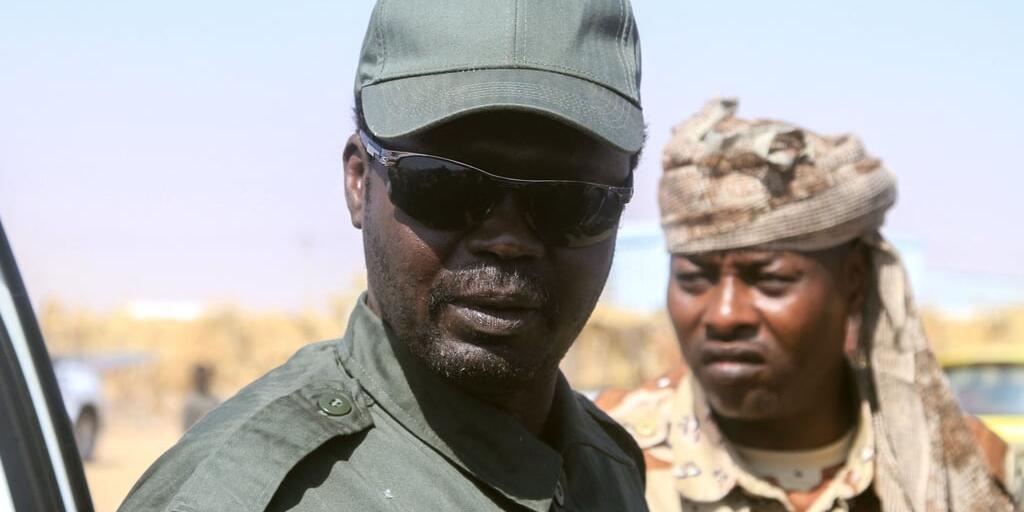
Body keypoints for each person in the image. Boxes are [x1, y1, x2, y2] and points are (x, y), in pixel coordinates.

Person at [119, 0, 648, 510]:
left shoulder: (610, 467)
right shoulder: (239, 496)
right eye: (444, 184)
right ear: (359, 182)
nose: (507, 239)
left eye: (571, 200)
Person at [598, 99, 1021, 511]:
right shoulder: (603, 457)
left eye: (770, 281)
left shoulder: (964, 472)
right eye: (694, 279)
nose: (724, 315)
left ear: (854, 280)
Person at [181, 364, 219, 432]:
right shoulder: (191, 401)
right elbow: (186, 426)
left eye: (205, 378)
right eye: (201, 378)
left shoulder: (214, 400)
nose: (204, 381)